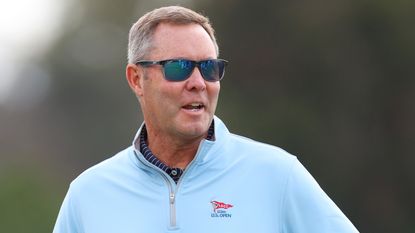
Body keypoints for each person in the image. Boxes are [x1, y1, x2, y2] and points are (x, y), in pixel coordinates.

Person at [53, 6, 359, 233]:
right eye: (179, 67)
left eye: (209, 67)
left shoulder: (278, 174)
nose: (199, 82)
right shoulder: (88, 195)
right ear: (136, 79)